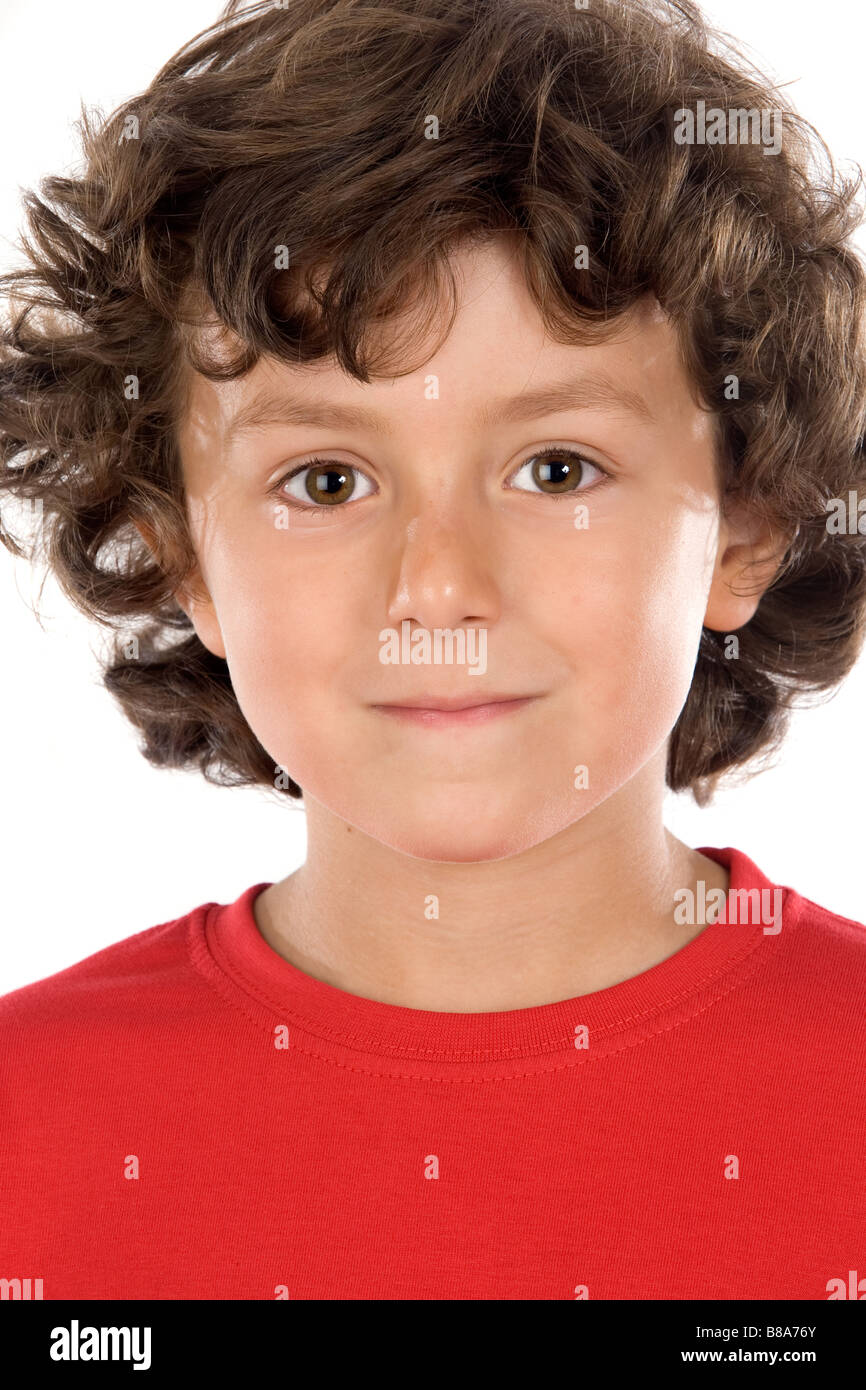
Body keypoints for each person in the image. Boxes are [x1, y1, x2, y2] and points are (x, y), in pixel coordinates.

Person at [0, 0, 863, 1300]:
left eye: (555, 466)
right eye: (329, 479)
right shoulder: (29, 1125)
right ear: (181, 553)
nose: (439, 587)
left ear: (743, 527)